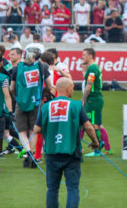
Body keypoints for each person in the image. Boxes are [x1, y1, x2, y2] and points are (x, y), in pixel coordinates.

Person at [34, 77, 100, 208]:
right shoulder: (76, 105)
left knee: (52, 189)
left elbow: (37, 129)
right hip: (71, 152)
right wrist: (95, 142)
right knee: (72, 188)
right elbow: (88, 126)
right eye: (73, 89)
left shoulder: (46, 107)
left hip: (52, 152)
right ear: (69, 89)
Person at [11, 48, 53, 167]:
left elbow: (12, 88)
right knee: (33, 130)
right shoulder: (42, 67)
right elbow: (49, 86)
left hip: (21, 102)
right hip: (36, 102)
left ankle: (28, 152)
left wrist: (18, 97)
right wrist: (40, 91)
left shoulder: (16, 68)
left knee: (22, 131)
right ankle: (33, 154)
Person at [81, 48, 111, 156]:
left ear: (90, 56)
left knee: (93, 125)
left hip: (93, 99)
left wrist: (83, 99)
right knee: (91, 124)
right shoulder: (94, 67)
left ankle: (97, 149)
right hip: (94, 99)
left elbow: (89, 86)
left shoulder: (93, 68)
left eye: (84, 55)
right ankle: (102, 146)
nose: (82, 57)